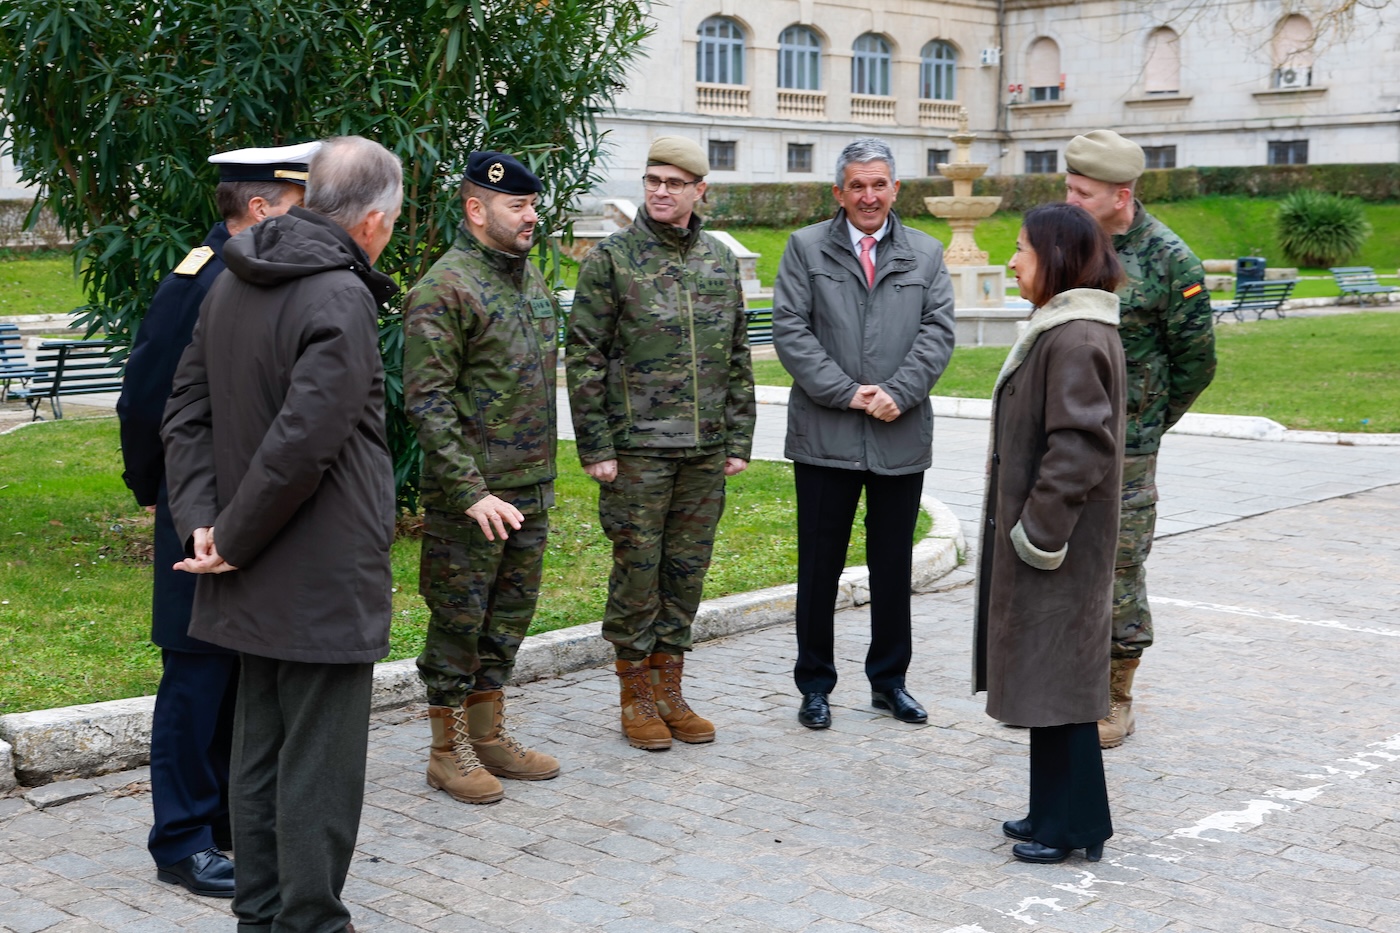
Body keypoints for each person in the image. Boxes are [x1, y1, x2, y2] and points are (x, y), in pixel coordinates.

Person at [162, 135, 402, 933]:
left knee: (258, 749)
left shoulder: (234, 277)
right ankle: (308, 922)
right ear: (371, 221)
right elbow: (306, 440)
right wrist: (228, 532)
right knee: (320, 764)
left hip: (246, 564)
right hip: (317, 568)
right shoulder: (338, 296)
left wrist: (207, 522)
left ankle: (260, 914)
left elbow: (185, 413)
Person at [116, 140, 318, 898]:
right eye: (298, 206)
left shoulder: (257, 273)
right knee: (196, 670)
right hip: (195, 500)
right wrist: (154, 489)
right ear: (261, 207)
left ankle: (228, 821)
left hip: (245, 503)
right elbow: (146, 396)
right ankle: (180, 839)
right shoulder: (198, 281)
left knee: (236, 663)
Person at [566, 135, 756, 751]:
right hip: (638, 451)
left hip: (704, 450)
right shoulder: (612, 259)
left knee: (687, 571)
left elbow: (737, 353)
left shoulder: (718, 261)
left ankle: (671, 689)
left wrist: (739, 436)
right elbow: (584, 357)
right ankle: (635, 696)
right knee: (637, 572)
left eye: (674, 183)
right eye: (653, 180)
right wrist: (596, 446)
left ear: (700, 190)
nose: (660, 192)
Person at [771, 137, 955, 731]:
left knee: (892, 566)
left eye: (879, 184)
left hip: (899, 434)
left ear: (895, 189)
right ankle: (815, 685)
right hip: (825, 435)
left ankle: (890, 682)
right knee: (819, 567)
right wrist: (849, 392)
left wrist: (898, 392)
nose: (868, 196)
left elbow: (937, 332)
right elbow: (791, 330)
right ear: (839, 193)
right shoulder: (804, 249)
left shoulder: (926, 253)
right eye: (857, 185)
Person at [403, 152, 561, 804]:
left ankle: (488, 734)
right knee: (459, 622)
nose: (531, 216)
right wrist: (469, 491)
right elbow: (428, 402)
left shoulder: (530, 281)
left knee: (507, 622)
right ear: (476, 209)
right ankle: (447, 751)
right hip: (473, 498)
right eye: (517, 206)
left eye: (532, 204)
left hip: (529, 487)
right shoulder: (446, 288)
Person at [973, 201, 1127, 864]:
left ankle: (1073, 825)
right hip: (1054, 544)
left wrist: (1039, 530)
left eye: (1021, 249)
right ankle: (1050, 810)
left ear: (1055, 259)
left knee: (1062, 684)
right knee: (1047, 677)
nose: (1011, 260)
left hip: (1059, 546)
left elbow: (1080, 447)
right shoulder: (1066, 329)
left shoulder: (1077, 337)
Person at [1063, 130, 1216, 748]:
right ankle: (1069, 679)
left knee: (1119, 564)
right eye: (1068, 187)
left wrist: (1146, 424)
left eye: (1082, 191)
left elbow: (1196, 363)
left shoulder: (1171, 260)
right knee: (1062, 553)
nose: (1069, 199)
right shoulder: (1071, 245)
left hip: (1127, 447)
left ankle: (1117, 694)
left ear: (1120, 195)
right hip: (1065, 436)